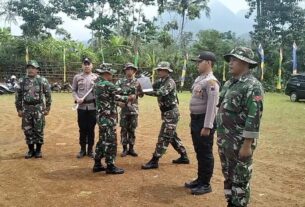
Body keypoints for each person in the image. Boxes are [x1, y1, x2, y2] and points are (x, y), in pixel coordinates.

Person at [217, 47, 264, 207]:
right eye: (230, 59)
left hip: (239, 144)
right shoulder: (230, 83)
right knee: (229, 177)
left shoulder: (253, 86)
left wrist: (247, 145)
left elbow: (255, 115)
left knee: (241, 182)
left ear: (245, 63)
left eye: (234, 59)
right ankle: (231, 203)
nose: (230, 63)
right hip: (225, 142)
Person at [141, 61, 189, 170]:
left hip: (171, 113)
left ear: (167, 71)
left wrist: (144, 89)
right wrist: (143, 82)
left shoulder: (170, 82)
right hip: (166, 113)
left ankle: (155, 160)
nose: (159, 71)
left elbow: (160, 92)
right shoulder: (160, 81)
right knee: (172, 136)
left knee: (164, 136)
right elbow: (150, 88)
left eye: (162, 70)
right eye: (158, 70)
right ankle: (184, 156)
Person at [184, 51, 220, 195]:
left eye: (200, 61)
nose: (197, 64)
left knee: (205, 153)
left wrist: (207, 126)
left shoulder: (211, 81)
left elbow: (212, 106)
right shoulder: (200, 79)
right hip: (196, 119)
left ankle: (205, 184)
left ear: (208, 63)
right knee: (199, 151)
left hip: (204, 121)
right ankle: (200, 179)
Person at [93, 66, 135, 174]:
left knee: (102, 140)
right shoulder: (108, 84)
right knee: (111, 141)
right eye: (111, 74)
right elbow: (123, 92)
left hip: (101, 117)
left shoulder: (97, 84)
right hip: (108, 118)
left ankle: (97, 163)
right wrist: (135, 90)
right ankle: (110, 165)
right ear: (106, 73)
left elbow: (112, 97)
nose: (112, 76)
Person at [15, 60, 52, 159]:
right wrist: (19, 109)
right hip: (26, 108)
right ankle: (31, 150)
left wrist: (47, 108)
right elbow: (18, 96)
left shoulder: (42, 80)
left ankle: (38, 150)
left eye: (33, 68)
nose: (30, 70)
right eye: (29, 68)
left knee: (39, 130)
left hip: (38, 108)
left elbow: (48, 95)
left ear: (37, 70)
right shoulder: (22, 81)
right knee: (28, 130)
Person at [72, 57, 98, 158]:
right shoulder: (77, 77)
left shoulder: (96, 78)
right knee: (82, 129)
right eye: (85, 64)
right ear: (82, 65)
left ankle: (90, 150)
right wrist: (77, 98)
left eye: (88, 64)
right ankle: (82, 149)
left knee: (91, 129)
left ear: (92, 65)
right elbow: (74, 90)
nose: (87, 65)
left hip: (92, 107)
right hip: (81, 107)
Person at [116, 62, 143, 157]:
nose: (129, 71)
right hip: (124, 110)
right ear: (125, 71)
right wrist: (119, 103)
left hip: (134, 110)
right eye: (128, 69)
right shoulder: (120, 82)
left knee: (132, 129)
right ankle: (124, 149)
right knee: (124, 129)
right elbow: (114, 95)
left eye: (131, 69)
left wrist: (140, 91)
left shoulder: (138, 82)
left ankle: (131, 149)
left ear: (134, 71)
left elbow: (142, 94)